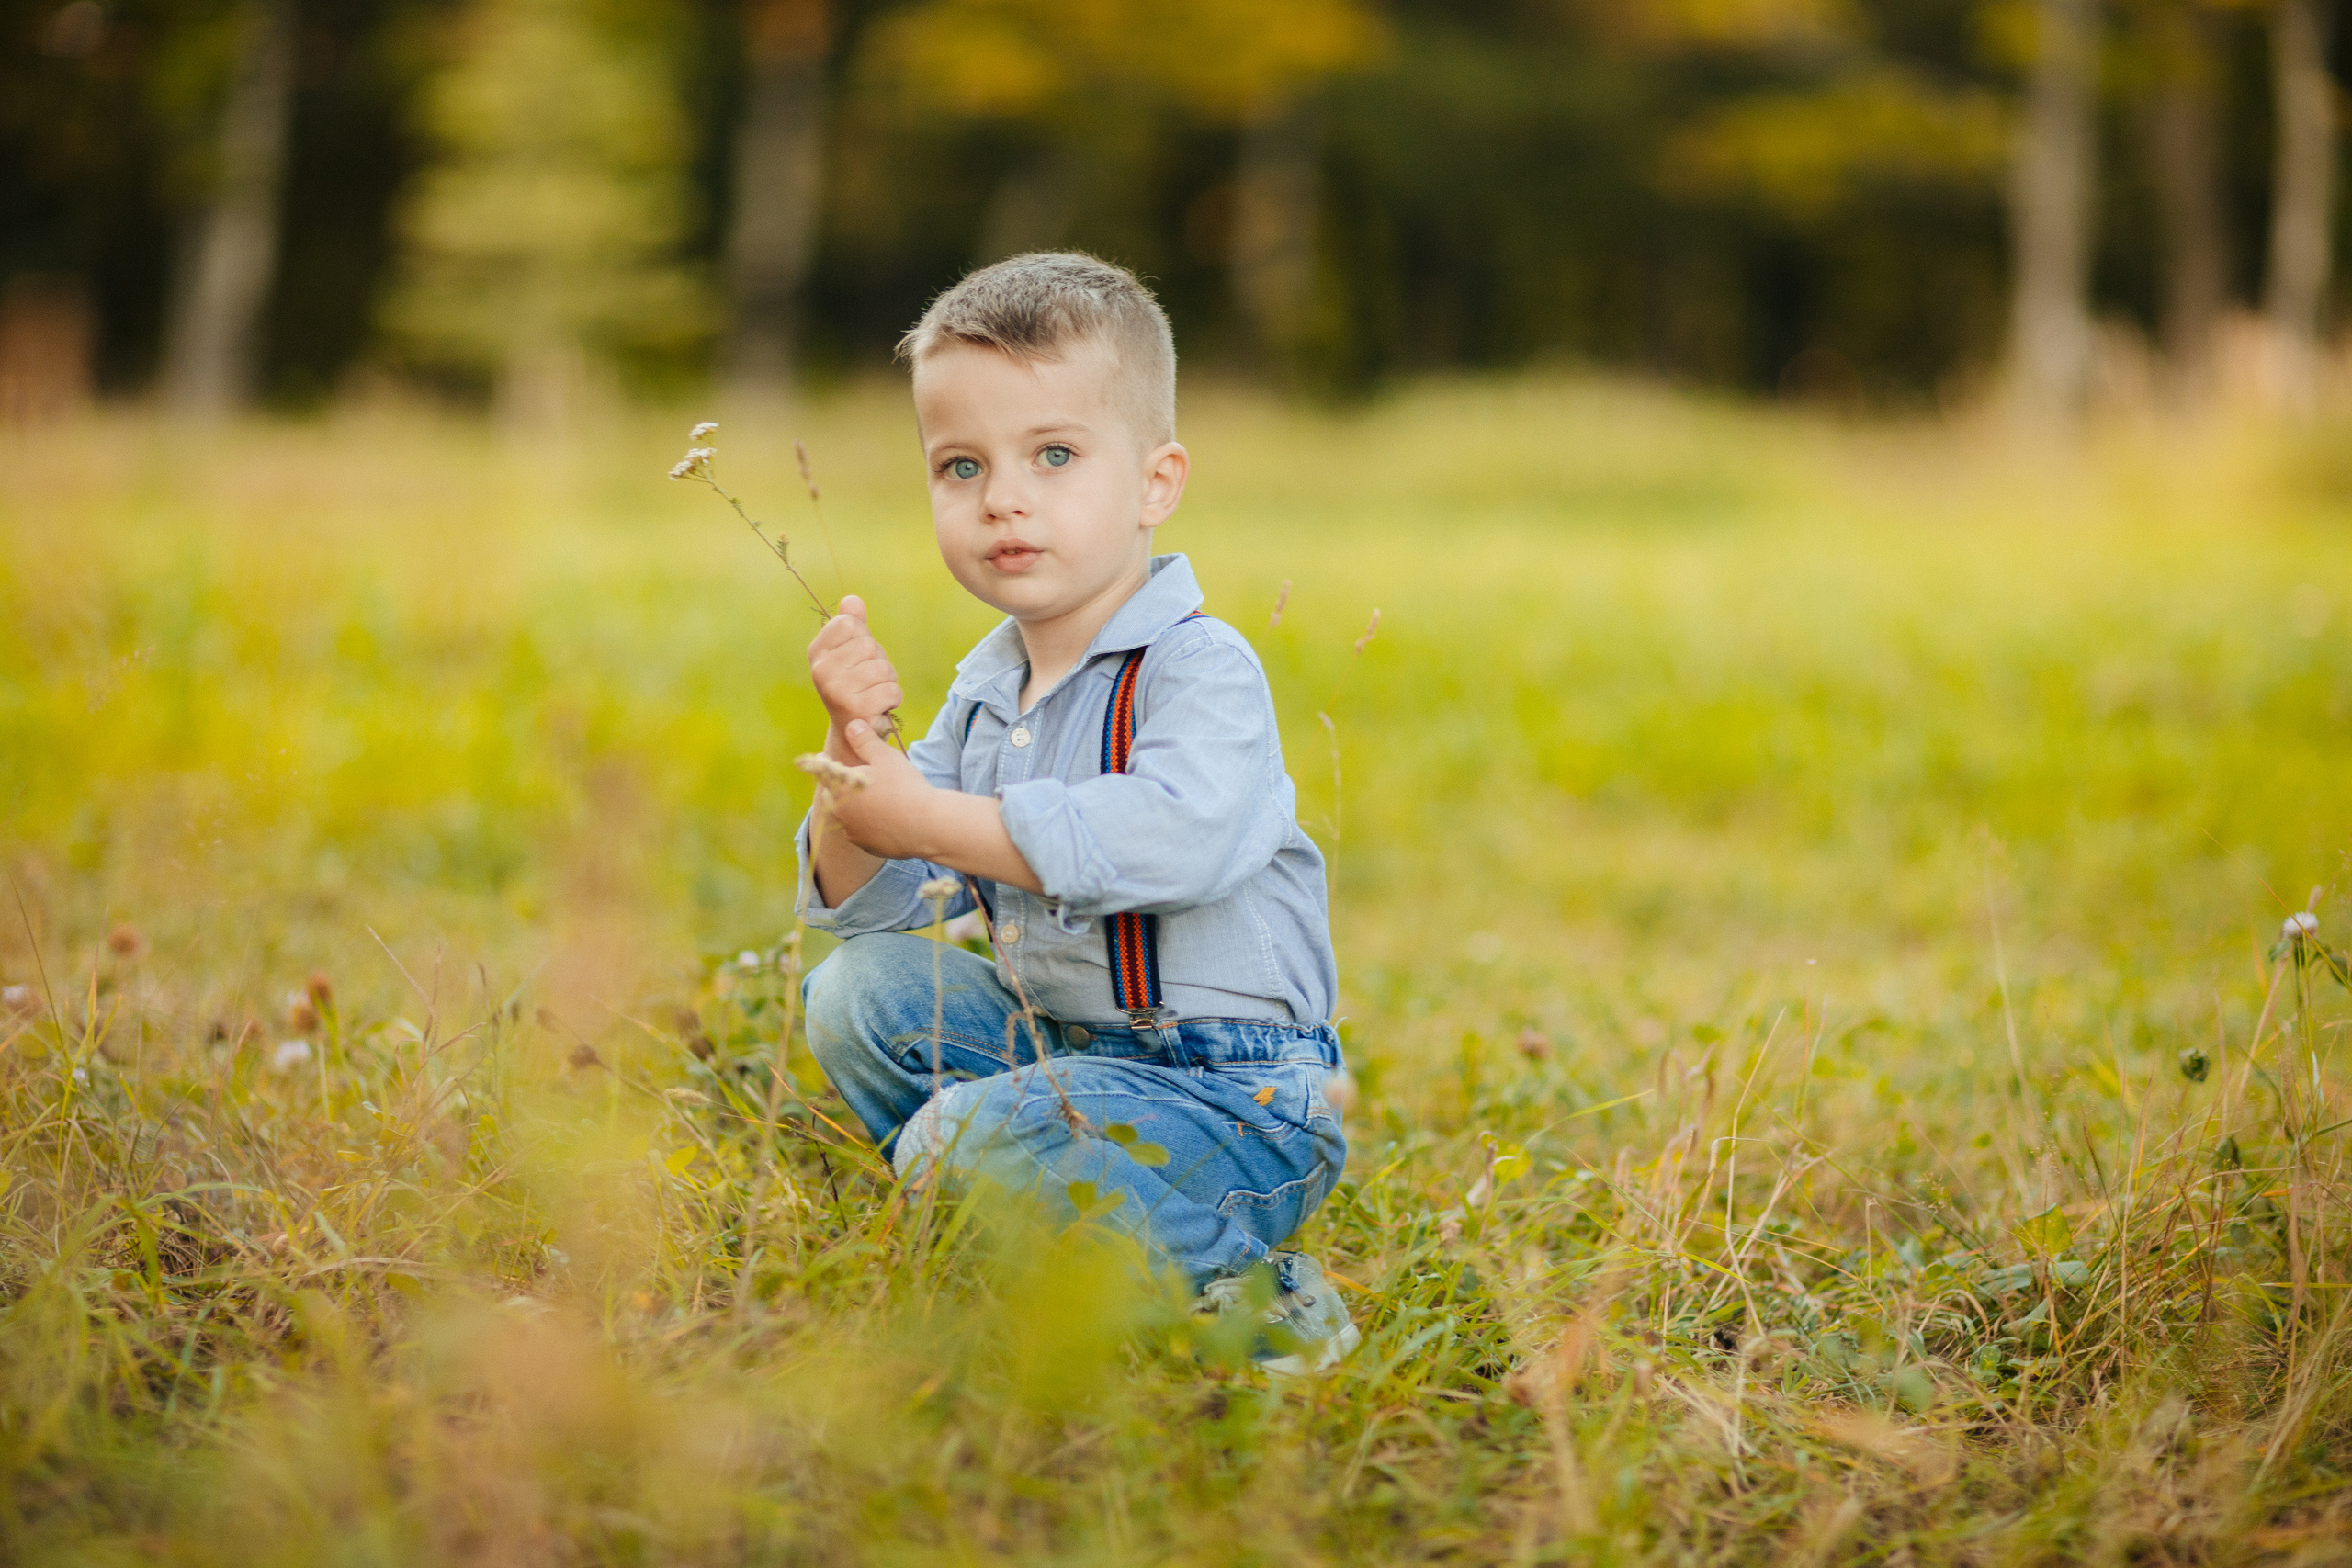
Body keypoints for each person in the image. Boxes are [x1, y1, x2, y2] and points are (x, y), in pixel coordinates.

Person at [795, 251, 1356, 1374]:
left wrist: (936, 820)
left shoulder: (1201, 668)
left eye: (1053, 455)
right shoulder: (986, 686)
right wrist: (858, 771)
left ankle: (1243, 1282)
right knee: (857, 992)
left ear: (1156, 482)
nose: (1003, 496)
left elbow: (1168, 840)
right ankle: (1032, 1190)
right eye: (961, 465)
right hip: (1068, 1058)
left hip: (1235, 1093)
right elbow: (880, 903)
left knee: (958, 1141)